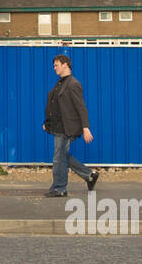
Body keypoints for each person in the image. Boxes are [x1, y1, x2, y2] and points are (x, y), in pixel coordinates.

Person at [42, 54, 100, 197]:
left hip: (65, 128)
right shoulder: (61, 83)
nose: (54, 67)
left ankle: (60, 188)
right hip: (56, 126)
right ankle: (89, 175)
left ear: (65, 65)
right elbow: (55, 105)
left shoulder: (73, 84)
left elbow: (81, 107)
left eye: (56, 65)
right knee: (62, 156)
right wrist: (47, 123)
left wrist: (86, 128)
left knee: (58, 157)